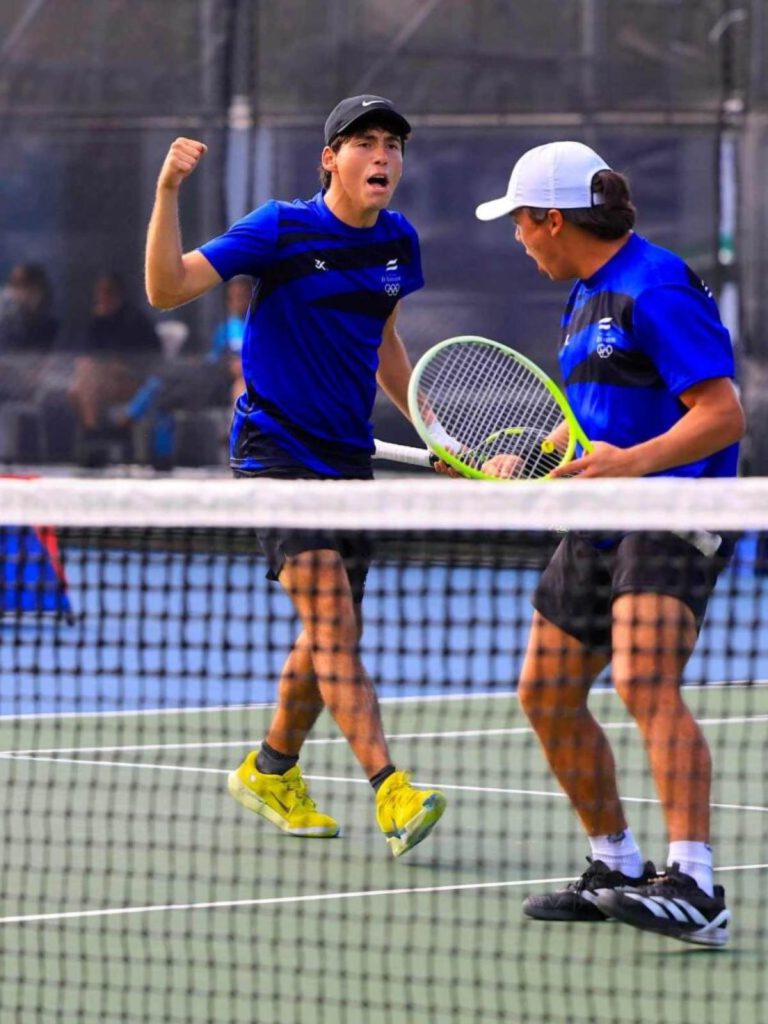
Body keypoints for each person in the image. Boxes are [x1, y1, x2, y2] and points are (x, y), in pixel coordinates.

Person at [144, 95, 446, 857]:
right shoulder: (279, 227)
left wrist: (435, 430)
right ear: (330, 159)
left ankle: (271, 768)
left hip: (348, 458)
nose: (383, 157)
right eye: (365, 143)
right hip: (277, 456)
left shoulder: (397, 242)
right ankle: (391, 787)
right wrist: (167, 193)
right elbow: (167, 288)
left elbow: (384, 344)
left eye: (393, 145)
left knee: (327, 634)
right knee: (337, 628)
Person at [474, 141, 744, 945]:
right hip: (599, 516)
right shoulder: (585, 294)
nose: (518, 239)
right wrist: (532, 452)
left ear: (554, 220)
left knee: (641, 677)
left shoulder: (653, 285)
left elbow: (721, 413)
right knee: (545, 692)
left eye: (522, 223)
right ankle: (617, 863)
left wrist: (632, 464)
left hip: (672, 506)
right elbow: (592, 415)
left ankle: (696, 884)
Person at [69, 273, 160, 457]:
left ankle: (93, 436)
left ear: (120, 295)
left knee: (85, 383)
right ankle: (94, 436)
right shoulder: (94, 322)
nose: (102, 298)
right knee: (76, 388)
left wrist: (117, 367)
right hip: (101, 381)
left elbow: (152, 362)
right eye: (100, 292)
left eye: (108, 292)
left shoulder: (136, 322)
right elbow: (83, 356)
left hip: (132, 382)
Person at [0, 262, 59, 354]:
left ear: (37, 290)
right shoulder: (6, 322)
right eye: (12, 284)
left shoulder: (51, 325)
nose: (10, 291)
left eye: (20, 284)